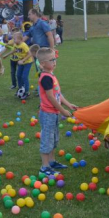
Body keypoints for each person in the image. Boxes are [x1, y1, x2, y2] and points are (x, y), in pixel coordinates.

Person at [37, 47, 78, 175]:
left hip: (53, 114)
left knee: (53, 139)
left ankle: (52, 161)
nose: (55, 62)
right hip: (48, 113)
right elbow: (50, 97)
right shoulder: (45, 78)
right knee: (47, 140)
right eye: (52, 60)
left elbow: (58, 94)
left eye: (55, 59)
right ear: (43, 63)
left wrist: (68, 104)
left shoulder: (51, 75)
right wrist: (62, 110)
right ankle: (44, 168)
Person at [1, 32, 33, 98]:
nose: (13, 40)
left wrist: (22, 60)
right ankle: (20, 89)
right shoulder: (16, 44)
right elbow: (14, 51)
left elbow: (30, 54)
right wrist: (6, 55)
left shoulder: (23, 45)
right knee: (18, 75)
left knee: (24, 76)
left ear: (20, 39)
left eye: (15, 39)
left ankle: (26, 92)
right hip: (21, 62)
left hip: (27, 62)